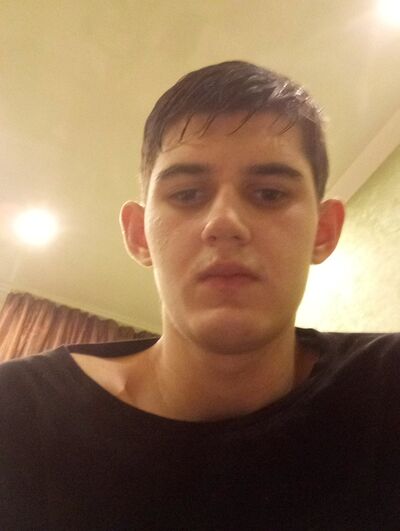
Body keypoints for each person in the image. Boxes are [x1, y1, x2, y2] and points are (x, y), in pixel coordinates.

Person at [0, 61, 399, 530]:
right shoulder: (16, 414)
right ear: (139, 236)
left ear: (324, 231)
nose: (224, 222)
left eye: (270, 194)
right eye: (188, 194)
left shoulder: (388, 390)